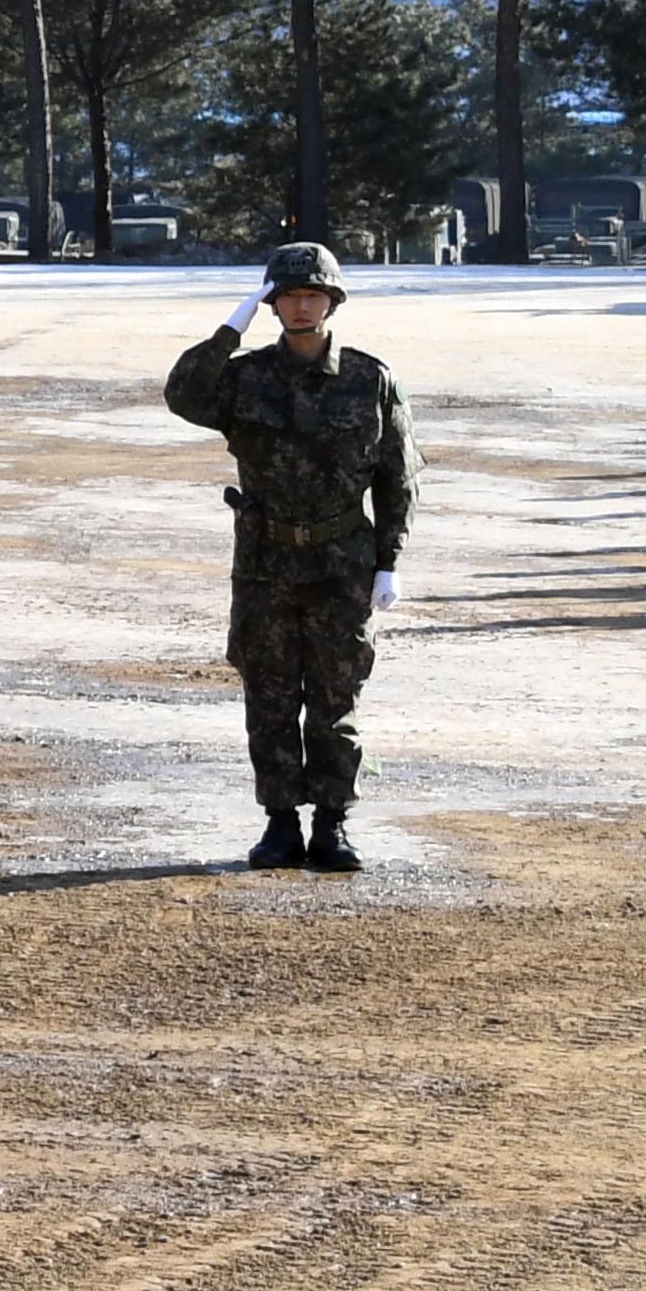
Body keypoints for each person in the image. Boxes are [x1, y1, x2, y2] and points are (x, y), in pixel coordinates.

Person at [165, 243, 422, 874]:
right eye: (288, 295)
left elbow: (398, 479)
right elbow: (182, 394)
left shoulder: (369, 379)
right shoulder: (245, 379)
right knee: (270, 698)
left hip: (342, 563)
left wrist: (388, 562)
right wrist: (230, 329)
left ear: (332, 302)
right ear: (273, 303)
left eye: (313, 295)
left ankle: (331, 824)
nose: (301, 306)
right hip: (266, 563)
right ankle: (280, 824)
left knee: (336, 700)